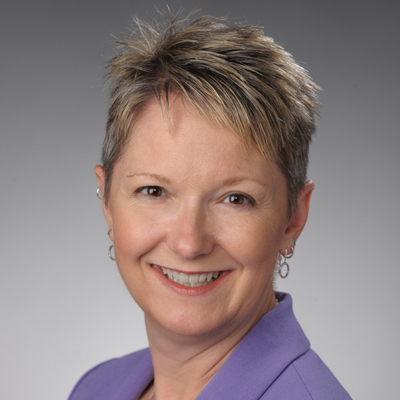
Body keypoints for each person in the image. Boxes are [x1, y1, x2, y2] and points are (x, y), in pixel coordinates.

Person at [69, 12, 352, 400]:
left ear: (293, 218)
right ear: (107, 201)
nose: (189, 242)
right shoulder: (95, 389)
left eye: (236, 199)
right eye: (153, 191)